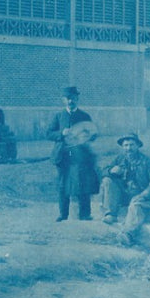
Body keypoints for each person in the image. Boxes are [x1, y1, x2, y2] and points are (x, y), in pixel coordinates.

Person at [100, 132, 150, 242]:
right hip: (125, 195)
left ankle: (128, 234)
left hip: (145, 198)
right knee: (107, 180)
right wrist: (111, 170)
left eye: (131, 145)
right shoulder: (119, 159)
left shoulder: (147, 161)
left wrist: (142, 195)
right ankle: (111, 213)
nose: (129, 148)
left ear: (138, 146)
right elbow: (103, 171)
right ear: (123, 147)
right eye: (126, 145)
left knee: (135, 205)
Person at [47, 86, 92, 220]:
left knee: (82, 183)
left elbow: (92, 134)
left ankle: (84, 214)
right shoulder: (59, 116)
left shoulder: (84, 116)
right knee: (63, 184)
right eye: (68, 98)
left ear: (77, 99)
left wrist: (83, 136)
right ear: (63, 100)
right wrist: (61, 133)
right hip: (63, 155)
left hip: (80, 156)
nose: (70, 101)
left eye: (73, 98)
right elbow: (48, 133)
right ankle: (63, 214)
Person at [59, 120, 99, 221]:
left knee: (86, 195)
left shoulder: (89, 149)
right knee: (76, 194)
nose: (84, 139)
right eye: (82, 137)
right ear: (77, 138)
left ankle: (85, 214)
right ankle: (71, 214)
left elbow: (92, 162)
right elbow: (65, 161)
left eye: (86, 137)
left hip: (87, 174)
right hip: (75, 174)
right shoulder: (71, 149)